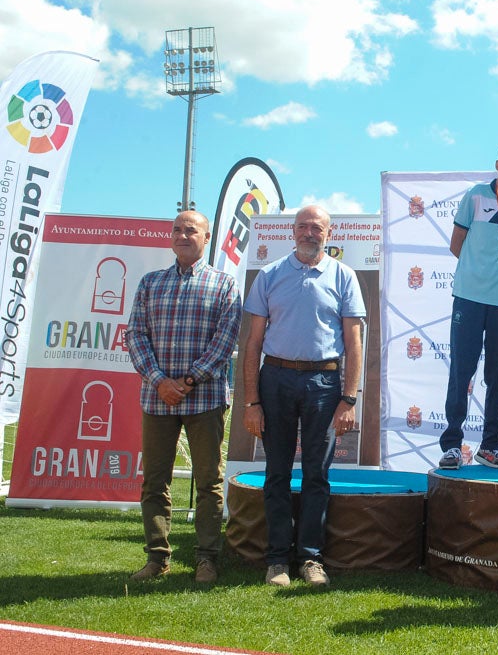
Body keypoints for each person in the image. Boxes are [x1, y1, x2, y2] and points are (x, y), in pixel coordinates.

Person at [243, 205, 365, 588]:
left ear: (329, 234)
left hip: (324, 384)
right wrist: (251, 402)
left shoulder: (344, 276)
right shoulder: (269, 274)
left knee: (317, 475)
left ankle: (311, 559)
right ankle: (277, 560)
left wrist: (349, 398)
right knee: (276, 473)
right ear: (292, 232)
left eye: (317, 227)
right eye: (303, 227)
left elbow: (353, 342)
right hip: (275, 379)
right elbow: (253, 343)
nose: (309, 233)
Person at [125, 210, 242, 584]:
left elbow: (225, 340)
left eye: (191, 230)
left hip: (204, 400)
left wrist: (188, 380)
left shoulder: (224, 285)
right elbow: (136, 336)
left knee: (208, 482)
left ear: (206, 238)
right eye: (177, 229)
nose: (182, 235)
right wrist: (160, 381)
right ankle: (157, 557)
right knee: (154, 482)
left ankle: (207, 558)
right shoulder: (149, 283)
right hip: (157, 399)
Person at [438, 142, 498, 470]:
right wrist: (478, 273)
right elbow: (457, 244)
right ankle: (452, 445)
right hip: (469, 297)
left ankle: (490, 446)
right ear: (497, 163)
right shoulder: (476, 195)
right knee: (461, 370)